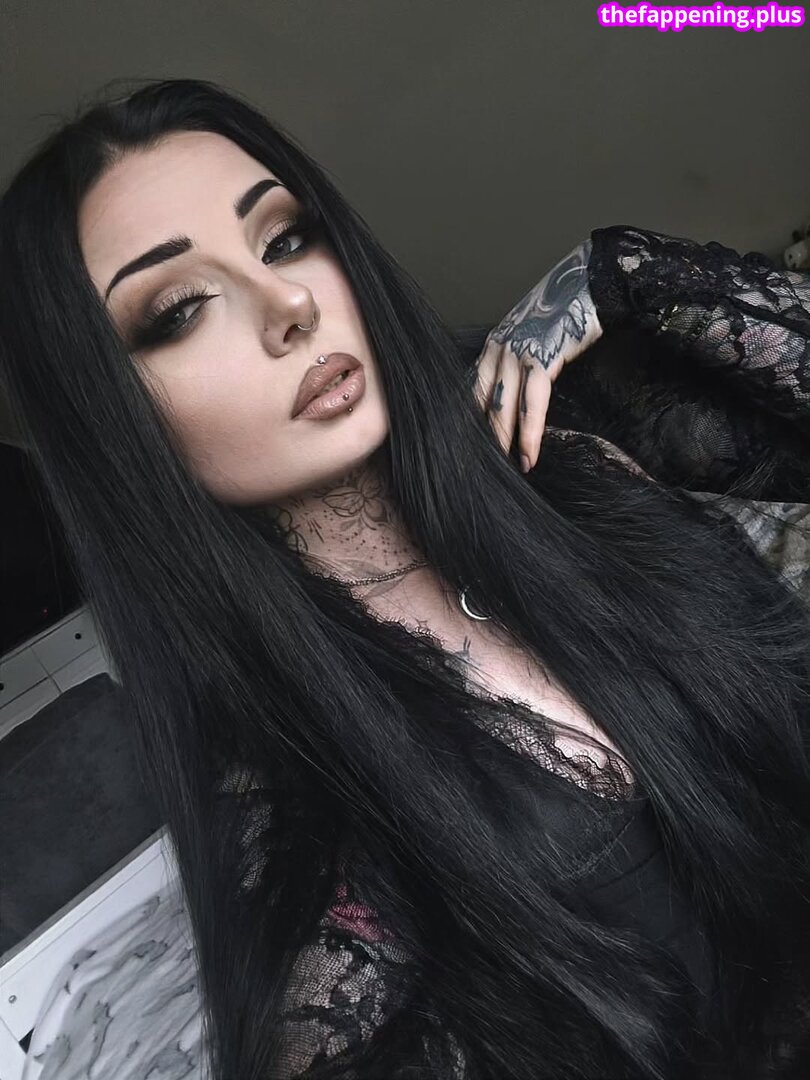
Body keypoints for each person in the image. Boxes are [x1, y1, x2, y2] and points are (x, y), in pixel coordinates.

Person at [0, 77, 808, 1080]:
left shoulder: (568, 448)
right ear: (108, 424)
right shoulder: (307, 816)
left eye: (285, 240)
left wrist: (620, 269)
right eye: (180, 309)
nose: (290, 305)